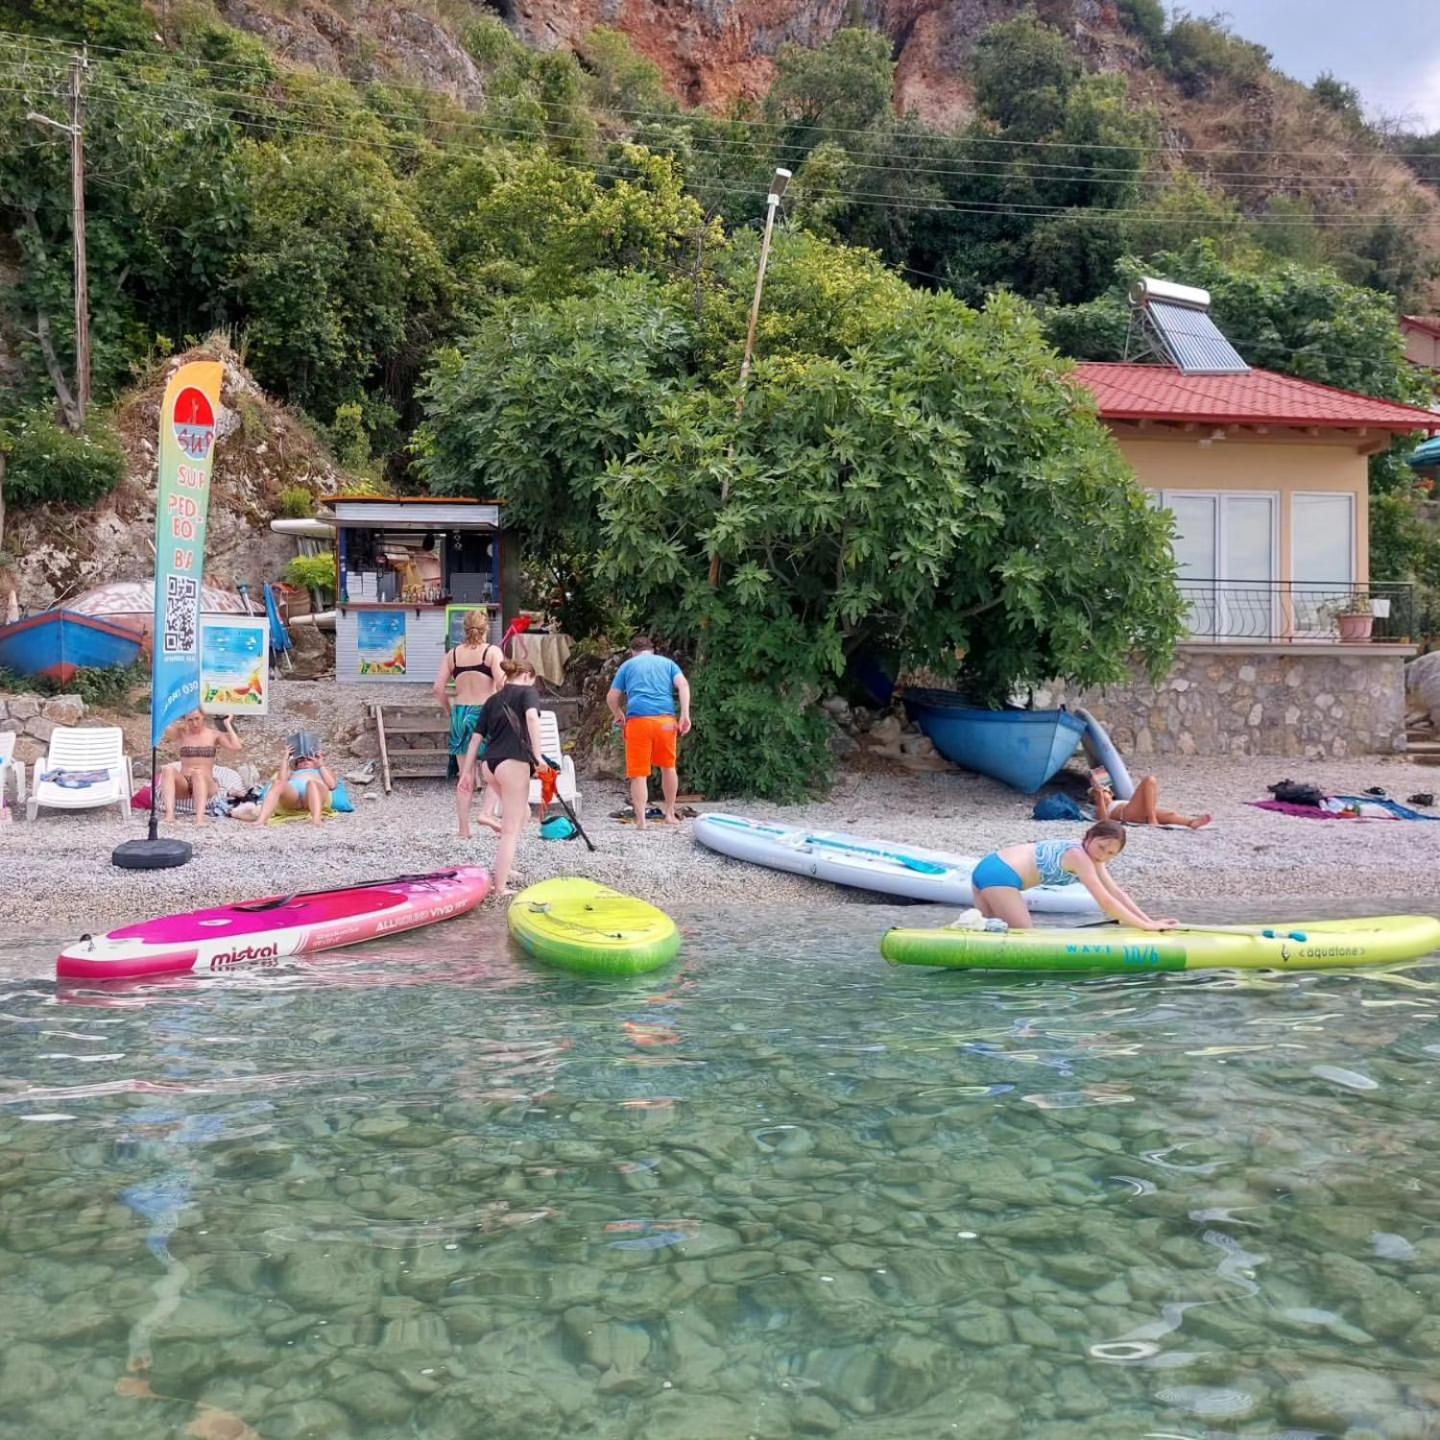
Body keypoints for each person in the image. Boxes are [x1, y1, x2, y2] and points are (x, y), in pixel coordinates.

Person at [962, 821, 1178, 933]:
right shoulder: (1079, 856)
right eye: (1101, 847)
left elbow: (1115, 892)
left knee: (986, 932)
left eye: (1111, 853)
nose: (1103, 855)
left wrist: (1149, 921)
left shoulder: (1093, 857)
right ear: (1088, 838)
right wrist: (1145, 927)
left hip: (988, 867)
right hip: (1000, 874)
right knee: (1024, 935)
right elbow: (1105, 901)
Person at [461, 658, 545, 897]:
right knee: (510, 828)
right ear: (528, 674)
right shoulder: (528, 692)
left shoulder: (493, 699)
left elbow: (476, 739)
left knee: (524, 814)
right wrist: (537, 757)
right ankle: (499, 887)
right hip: (513, 763)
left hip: (490, 764)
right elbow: (531, 718)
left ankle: (505, 867)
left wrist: (467, 772)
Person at [434, 609, 506, 839]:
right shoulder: (492, 652)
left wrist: (449, 710)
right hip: (486, 713)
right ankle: (489, 815)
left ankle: (463, 830)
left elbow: (437, 689)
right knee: (494, 772)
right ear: (487, 629)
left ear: (463, 630)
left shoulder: (453, 655)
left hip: (460, 713)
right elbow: (503, 683)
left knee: (465, 774)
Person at [606, 635, 691, 829]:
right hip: (666, 722)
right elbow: (683, 685)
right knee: (668, 767)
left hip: (638, 722)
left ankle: (641, 821)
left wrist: (619, 714)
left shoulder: (628, 666)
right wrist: (684, 714)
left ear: (632, 652)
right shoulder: (668, 663)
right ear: (652, 650)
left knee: (639, 773)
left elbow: (612, 697)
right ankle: (669, 814)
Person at [159, 710, 243, 826]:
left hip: (206, 783)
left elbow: (236, 747)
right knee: (167, 769)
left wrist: (227, 723)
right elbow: (161, 724)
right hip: (185, 783)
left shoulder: (214, 735)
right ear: (185, 720)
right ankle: (169, 815)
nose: (194, 723)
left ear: (203, 716)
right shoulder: (181, 733)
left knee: (197, 773)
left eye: (197, 719)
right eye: (190, 720)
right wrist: (172, 709)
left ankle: (199, 819)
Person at [247, 742, 338, 827]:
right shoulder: (292, 772)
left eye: (309, 759)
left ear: (315, 762)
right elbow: (281, 779)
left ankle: (316, 820)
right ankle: (261, 821)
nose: (305, 761)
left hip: (313, 793)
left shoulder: (321, 770)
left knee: (312, 783)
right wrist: (285, 758)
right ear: (297, 764)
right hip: (293, 797)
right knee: (277, 783)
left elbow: (332, 785)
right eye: (301, 760)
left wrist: (321, 765)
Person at [1090, 771, 1211, 830]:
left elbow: (1101, 774)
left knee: (1170, 815)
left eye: (1108, 792)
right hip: (1126, 814)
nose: (1107, 793)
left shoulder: (1115, 800)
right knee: (1149, 780)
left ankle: (1190, 823)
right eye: (1105, 792)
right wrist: (1100, 794)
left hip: (1136, 811)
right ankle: (1152, 819)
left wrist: (1102, 783)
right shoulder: (1103, 805)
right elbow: (1103, 820)